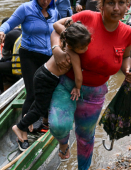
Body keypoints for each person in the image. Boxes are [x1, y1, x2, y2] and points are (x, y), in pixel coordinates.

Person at [49, 0, 131, 170]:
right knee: (58, 125)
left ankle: (84, 169)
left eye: (121, 3)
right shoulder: (86, 17)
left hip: (96, 92)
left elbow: (126, 56)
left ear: (127, 6)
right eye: (110, 2)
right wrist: (57, 50)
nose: (116, 8)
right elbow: (56, 29)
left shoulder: (127, 33)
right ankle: (63, 144)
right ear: (102, 4)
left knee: (85, 134)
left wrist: (127, 70)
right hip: (68, 84)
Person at [12, 21, 91, 151]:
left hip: (42, 73)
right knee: (40, 108)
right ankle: (20, 126)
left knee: (38, 103)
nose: (86, 49)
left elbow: (57, 24)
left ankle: (27, 119)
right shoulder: (74, 54)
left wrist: (68, 20)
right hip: (47, 78)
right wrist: (77, 87)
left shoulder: (65, 40)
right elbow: (78, 76)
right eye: (83, 47)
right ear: (72, 45)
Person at [0, 0, 58, 133]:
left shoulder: (54, 11)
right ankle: (23, 130)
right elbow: (9, 23)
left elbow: (57, 32)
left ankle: (45, 121)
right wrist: (1, 31)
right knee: (31, 93)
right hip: (29, 55)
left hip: (48, 56)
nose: (45, 1)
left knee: (47, 91)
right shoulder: (25, 8)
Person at [0, 18, 22, 92]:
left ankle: (0, 91)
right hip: (28, 63)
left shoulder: (10, 34)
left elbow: (5, 55)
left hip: (20, 66)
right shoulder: (23, 30)